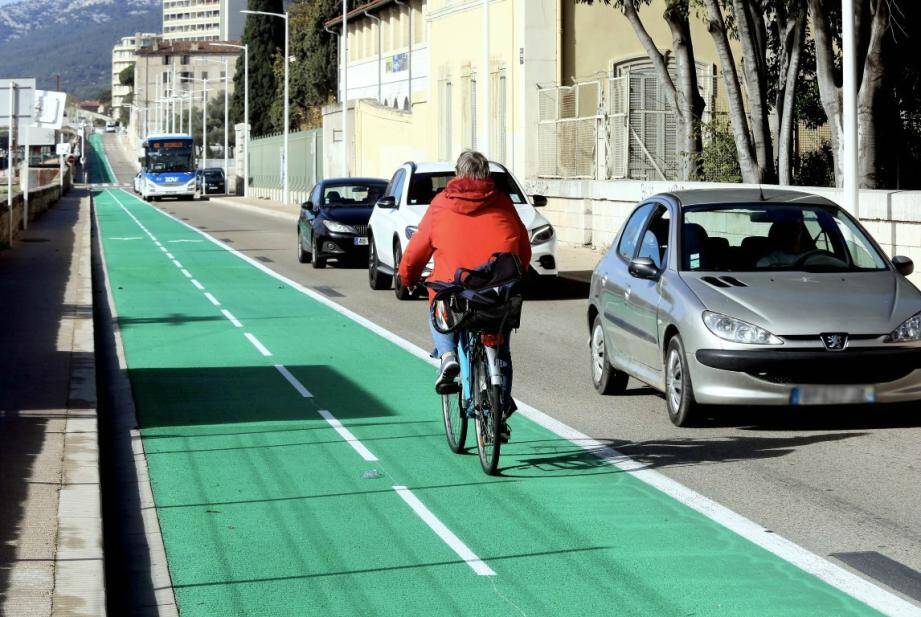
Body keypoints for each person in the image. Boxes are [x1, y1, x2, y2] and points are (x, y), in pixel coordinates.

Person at [399, 151, 531, 436]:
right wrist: (519, 273)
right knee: (500, 350)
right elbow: (523, 246)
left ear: (457, 175)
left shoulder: (441, 204)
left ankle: (448, 357)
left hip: (454, 292)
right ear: (486, 175)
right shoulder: (503, 202)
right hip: (498, 293)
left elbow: (417, 250)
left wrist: (407, 278)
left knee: (439, 311)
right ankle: (499, 413)